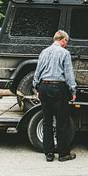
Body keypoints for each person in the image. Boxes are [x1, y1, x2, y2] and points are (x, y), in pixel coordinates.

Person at [33, 30, 77, 162]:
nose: (66, 44)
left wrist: (37, 88)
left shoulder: (44, 52)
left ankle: (49, 153)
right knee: (62, 121)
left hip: (44, 86)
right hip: (58, 87)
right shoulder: (64, 53)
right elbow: (69, 75)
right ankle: (63, 154)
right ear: (63, 40)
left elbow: (38, 72)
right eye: (66, 41)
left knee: (47, 121)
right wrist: (73, 91)